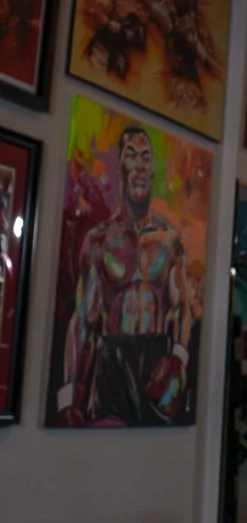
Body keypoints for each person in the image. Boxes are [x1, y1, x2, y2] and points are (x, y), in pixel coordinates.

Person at [57, 126, 194, 426]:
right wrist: (66, 395)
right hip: (111, 361)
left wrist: (179, 357)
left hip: (156, 358)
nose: (141, 165)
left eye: (146, 157)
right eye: (132, 155)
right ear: (119, 164)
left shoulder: (169, 241)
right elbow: (82, 321)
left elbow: (184, 308)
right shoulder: (99, 239)